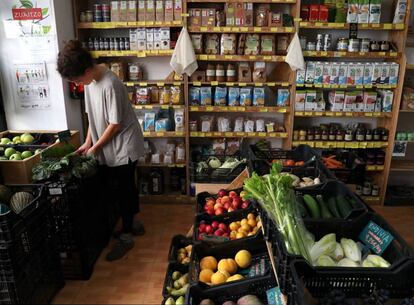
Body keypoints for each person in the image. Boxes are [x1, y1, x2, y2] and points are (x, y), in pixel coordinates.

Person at [57, 40, 145, 261]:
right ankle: (132, 222)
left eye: (77, 79)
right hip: (108, 144)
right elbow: (93, 118)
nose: (77, 84)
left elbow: (114, 124)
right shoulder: (90, 83)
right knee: (120, 187)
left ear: (86, 70)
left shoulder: (110, 84)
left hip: (124, 145)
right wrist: (88, 142)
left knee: (124, 188)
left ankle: (126, 236)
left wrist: (95, 146)